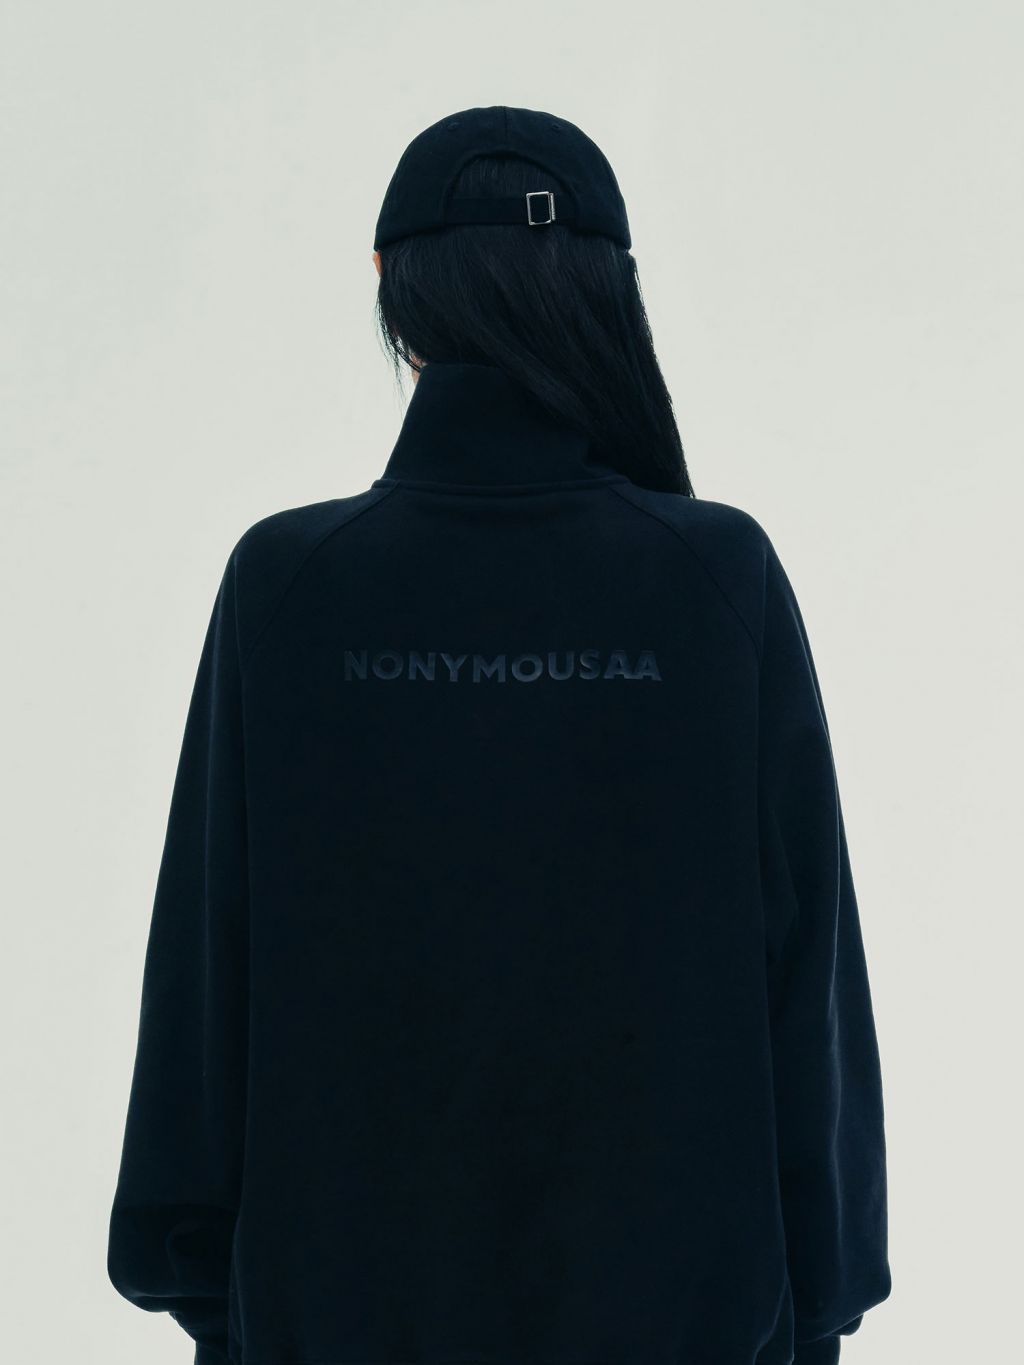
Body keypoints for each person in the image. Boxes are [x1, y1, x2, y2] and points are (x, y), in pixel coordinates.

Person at [106, 106, 891, 1365]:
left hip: (332, 1319)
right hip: (683, 1322)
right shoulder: (713, 579)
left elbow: (210, 958)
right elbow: (807, 977)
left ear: (391, 286)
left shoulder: (293, 584)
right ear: (610, 291)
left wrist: (200, 1281)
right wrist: (822, 1293)